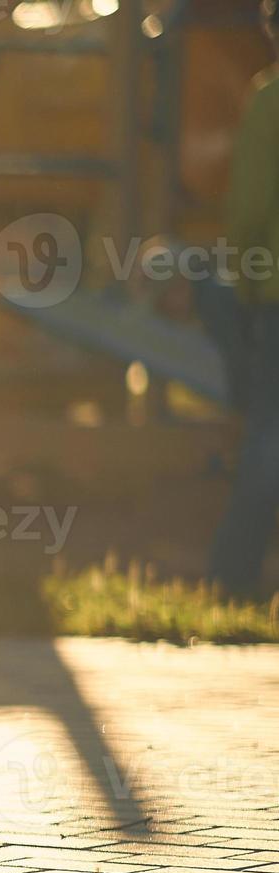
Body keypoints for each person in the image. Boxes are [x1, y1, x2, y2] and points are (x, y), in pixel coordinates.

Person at [210, 0, 279, 596]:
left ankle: (234, 577)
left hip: (275, 297)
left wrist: (243, 283)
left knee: (267, 437)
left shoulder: (269, 100)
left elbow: (251, 209)